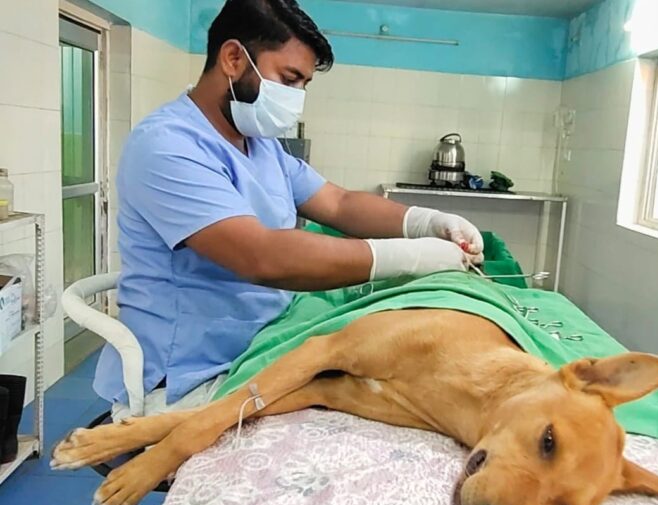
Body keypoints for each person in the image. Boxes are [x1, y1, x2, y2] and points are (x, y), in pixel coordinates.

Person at [95, 0, 485, 420]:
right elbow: (262, 256)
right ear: (232, 58)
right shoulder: (167, 146)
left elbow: (338, 202)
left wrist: (424, 222)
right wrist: (411, 257)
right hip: (194, 373)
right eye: (289, 79)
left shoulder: (260, 146)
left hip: (265, 343)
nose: (296, 98)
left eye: (304, 85)